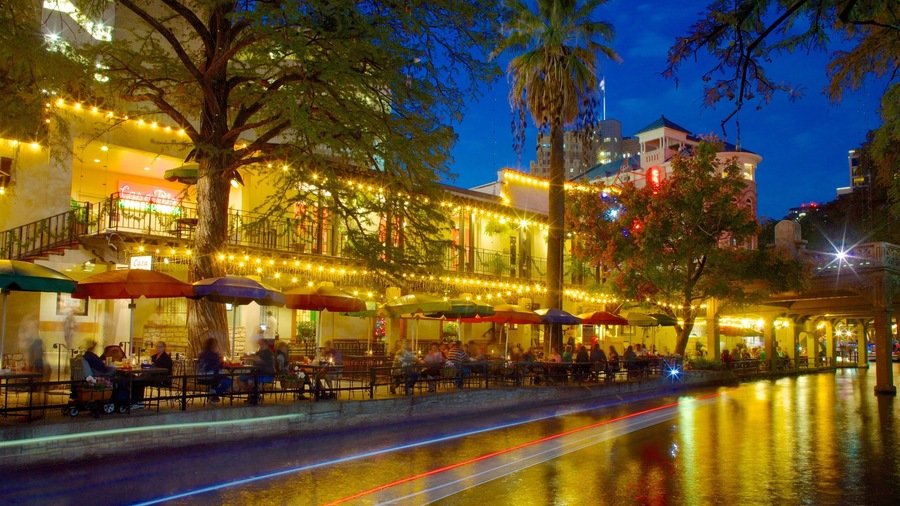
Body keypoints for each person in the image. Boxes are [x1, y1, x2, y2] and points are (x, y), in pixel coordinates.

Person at [129, 341, 174, 409]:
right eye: (157, 346)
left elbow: (165, 370)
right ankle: (133, 401)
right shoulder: (154, 356)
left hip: (160, 378)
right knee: (135, 379)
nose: (158, 348)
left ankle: (138, 402)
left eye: (160, 347)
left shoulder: (166, 358)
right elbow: (149, 364)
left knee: (139, 381)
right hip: (152, 376)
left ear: (164, 348)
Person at [240, 338, 275, 403]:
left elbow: (258, 359)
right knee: (240, 379)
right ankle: (252, 394)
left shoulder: (268, 352)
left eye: (259, 344)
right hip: (257, 373)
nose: (259, 346)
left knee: (251, 380)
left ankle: (255, 395)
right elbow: (255, 357)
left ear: (264, 344)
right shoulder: (260, 352)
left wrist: (247, 357)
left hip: (266, 374)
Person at [197, 337, 232, 404]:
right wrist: (221, 363)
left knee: (216, 379)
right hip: (210, 376)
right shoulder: (213, 354)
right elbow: (215, 367)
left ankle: (214, 397)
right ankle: (215, 392)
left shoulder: (201, 353)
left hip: (200, 377)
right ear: (213, 345)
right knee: (228, 381)